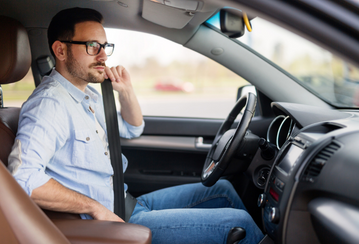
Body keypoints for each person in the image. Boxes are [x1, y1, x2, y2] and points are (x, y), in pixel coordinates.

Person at [7, 7, 264, 244]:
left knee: (223, 189)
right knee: (238, 224)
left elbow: (132, 129)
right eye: (93, 46)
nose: (103, 55)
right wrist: (93, 207)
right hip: (111, 221)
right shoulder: (49, 105)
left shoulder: (84, 96)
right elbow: (23, 179)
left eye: (105, 46)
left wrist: (126, 90)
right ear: (61, 51)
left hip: (128, 203)